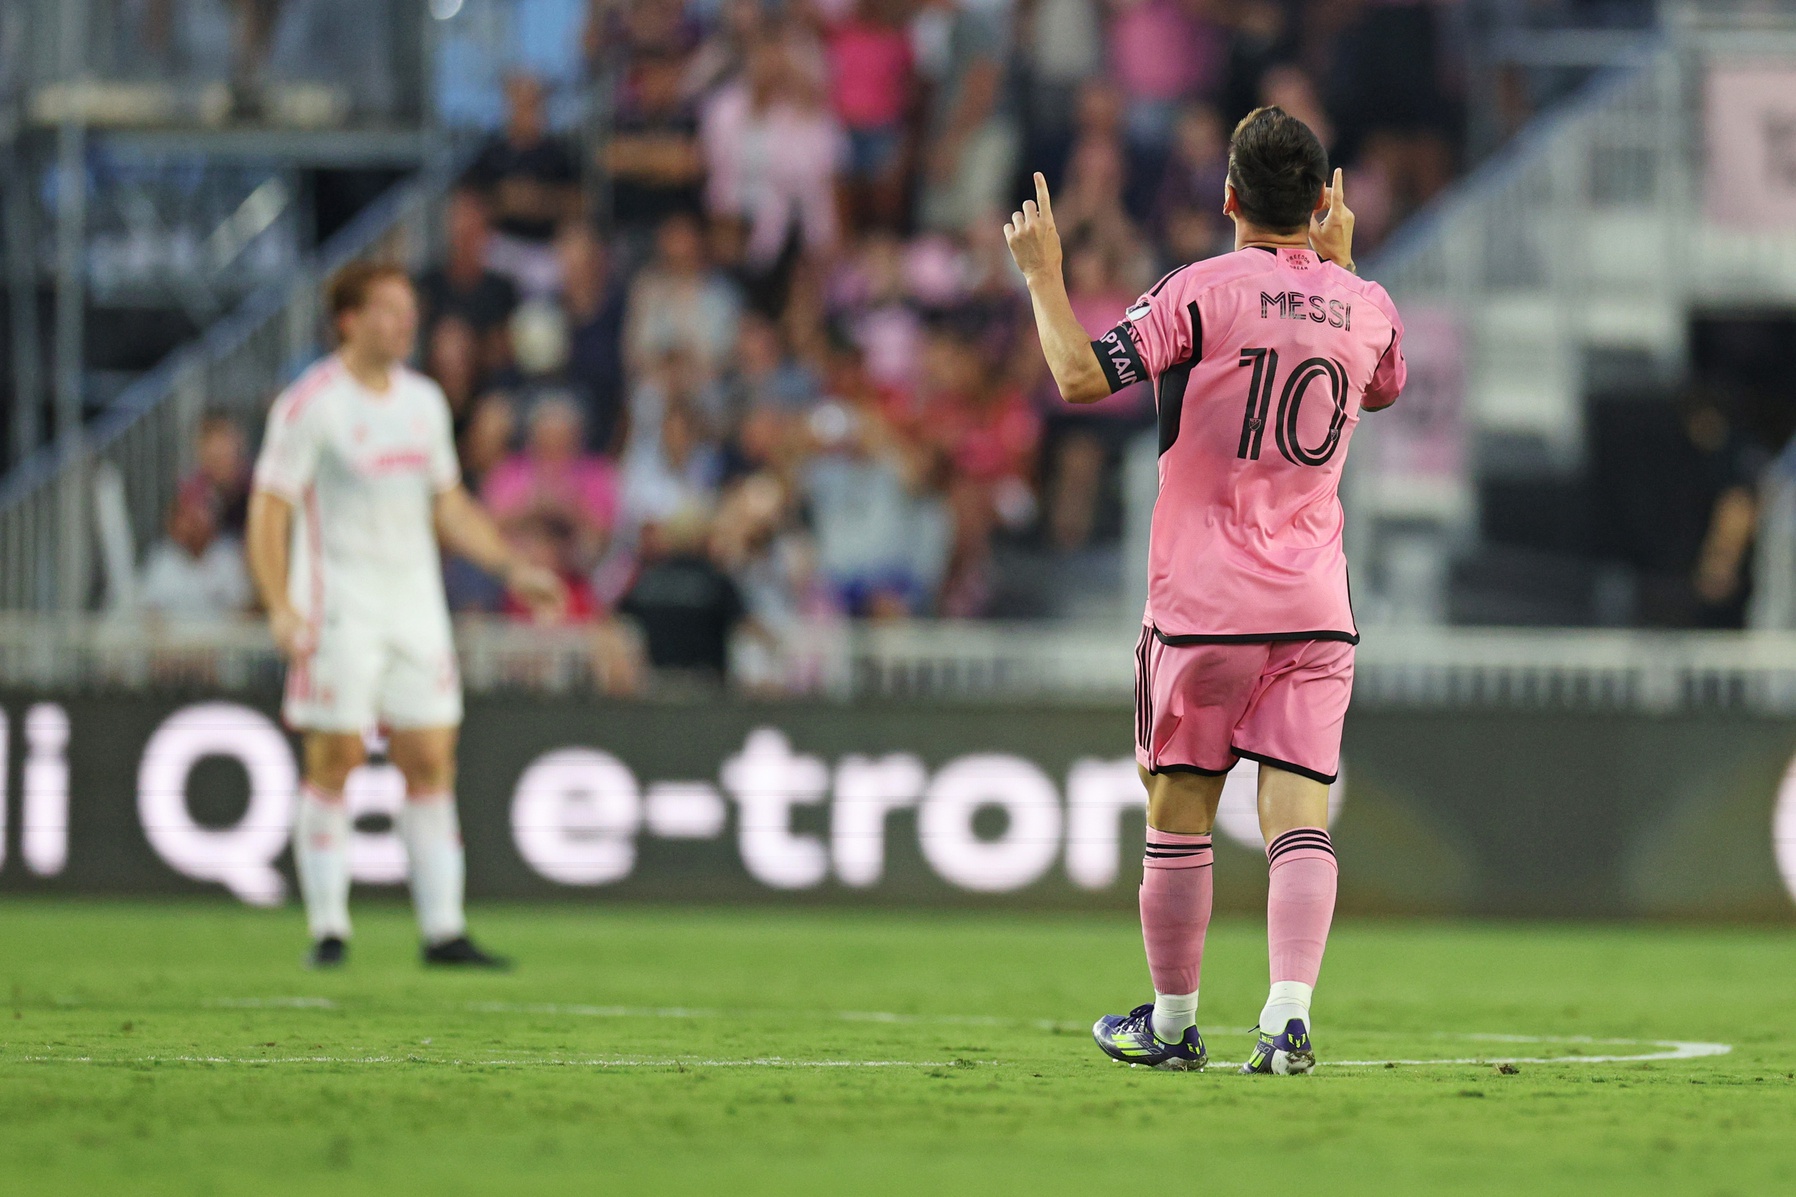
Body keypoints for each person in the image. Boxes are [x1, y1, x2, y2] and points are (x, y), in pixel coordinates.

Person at [1005, 106, 1404, 1074]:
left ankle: (1176, 1025)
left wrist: (1042, 275)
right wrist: (1338, 268)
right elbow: (1381, 386)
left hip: (1202, 609)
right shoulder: (1368, 305)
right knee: (1296, 815)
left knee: (1178, 807)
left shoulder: (1199, 292)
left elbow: (1074, 374)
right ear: (1319, 204)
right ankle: (1286, 1019)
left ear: (1226, 197)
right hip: (1314, 609)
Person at [245, 261, 563, 971]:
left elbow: (447, 503)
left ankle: (443, 930)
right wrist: (279, 602)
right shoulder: (312, 404)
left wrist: (512, 566)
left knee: (429, 756)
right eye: (387, 309)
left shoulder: (423, 403)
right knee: (338, 757)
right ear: (349, 320)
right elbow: (270, 506)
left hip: (416, 603)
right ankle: (329, 927)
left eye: (408, 308)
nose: (404, 321)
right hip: (340, 605)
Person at [138, 480, 253, 617]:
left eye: (195, 519)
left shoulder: (229, 558)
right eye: (182, 517)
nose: (188, 526)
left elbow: (245, 612)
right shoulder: (161, 560)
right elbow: (149, 613)